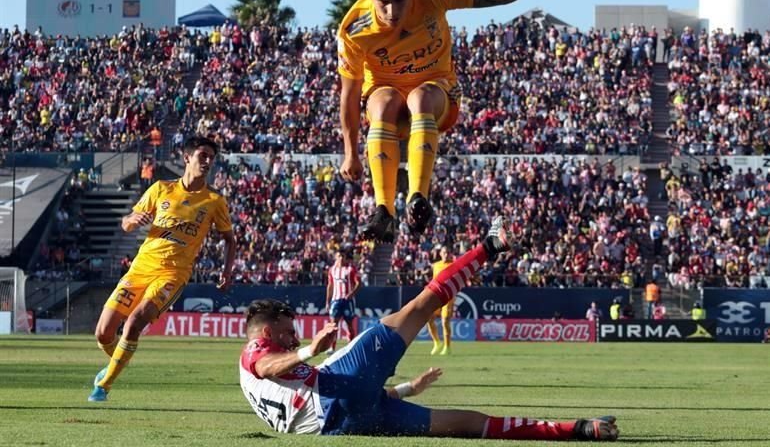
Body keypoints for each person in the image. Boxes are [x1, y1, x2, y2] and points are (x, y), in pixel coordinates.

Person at [238, 218, 619, 440]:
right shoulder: (255, 353)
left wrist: (406, 389)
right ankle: (489, 246)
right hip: (336, 392)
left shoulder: (264, 375)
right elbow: (274, 367)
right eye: (288, 332)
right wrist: (309, 351)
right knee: (422, 305)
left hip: (346, 421)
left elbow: (332, 391)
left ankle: (580, 429)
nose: (295, 338)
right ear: (266, 333)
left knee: (468, 424)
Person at [338, 0, 542, 242]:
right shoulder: (353, 30)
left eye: (400, 0)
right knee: (383, 102)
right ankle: (383, 210)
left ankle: (418, 198)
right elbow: (349, 93)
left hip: (436, 94)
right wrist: (350, 154)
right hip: (388, 103)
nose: (392, 12)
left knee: (419, 97)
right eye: (383, 3)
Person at [88, 137, 236, 402]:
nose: (207, 161)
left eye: (211, 157)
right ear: (187, 158)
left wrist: (227, 271)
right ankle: (117, 363)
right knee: (103, 333)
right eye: (202, 155)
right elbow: (127, 224)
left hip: (173, 273)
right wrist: (133, 219)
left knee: (134, 322)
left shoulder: (214, 201)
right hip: (140, 269)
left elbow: (229, 239)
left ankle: (103, 386)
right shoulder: (161, 189)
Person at [325, 250, 362, 354]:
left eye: (343, 256)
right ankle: (332, 348)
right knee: (333, 325)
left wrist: (351, 294)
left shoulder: (350, 269)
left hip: (347, 301)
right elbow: (330, 286)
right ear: (336, 258)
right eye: (339, 256)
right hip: (335, 300)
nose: (341, 258)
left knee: (349, 325)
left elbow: (359, 283)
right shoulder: (332, 270)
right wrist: (327, 301)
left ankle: (350, 348)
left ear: (345, 258)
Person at [426, 245, 457, 355]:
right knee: (429, 319)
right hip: (436, 296)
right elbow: (434, 281)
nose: (446, 254)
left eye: (448, 252)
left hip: (448, 297)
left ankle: (447, 347)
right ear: (440, 254)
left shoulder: (454, 265)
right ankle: (437, 343)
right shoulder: (436, 265)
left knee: (445, 321)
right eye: (444, 252)